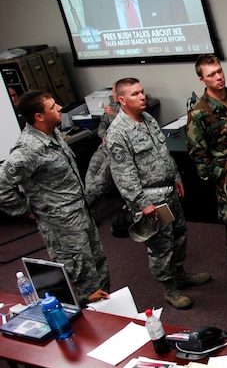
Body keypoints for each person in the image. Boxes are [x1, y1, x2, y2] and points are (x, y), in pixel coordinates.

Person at [105, 78, 210, 309]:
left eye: (142, 92)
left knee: (179, 234)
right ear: (122, 100)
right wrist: (141, 203)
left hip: (168, 190)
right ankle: (169, 287)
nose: (142, 97)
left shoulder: (148, 119)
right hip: (151, 199)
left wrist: (176, 177)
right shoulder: (118, 133)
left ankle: (179, 274)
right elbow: (123, 174)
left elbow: (163, 153)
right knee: (161, 244)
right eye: (135, 94)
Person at [0, 90, 110, 306]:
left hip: (81, 215)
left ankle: (111, 312)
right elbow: (1, 186)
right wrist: (26, 211)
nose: (59, 108)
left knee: (99, 266)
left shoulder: (53, 133)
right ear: (39, 116)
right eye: (52, 107)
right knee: (82, 278)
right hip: (61, 227)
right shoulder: (28, 150)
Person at [185, 54, 227, 289]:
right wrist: (218, 175)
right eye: (211, 74)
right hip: (226, 174)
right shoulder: (199, 113)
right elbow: (198, 153)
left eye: (219, 71)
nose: (218, 77)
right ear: (202, 79)